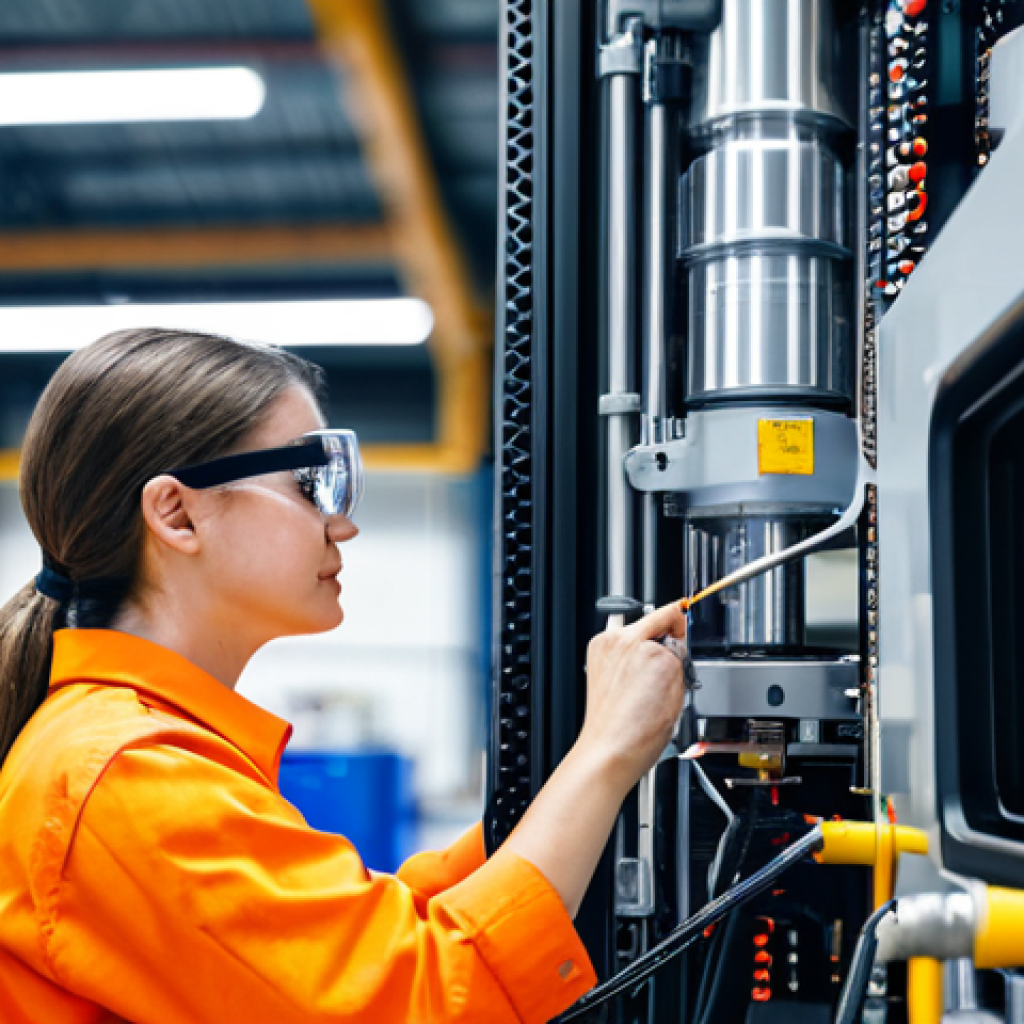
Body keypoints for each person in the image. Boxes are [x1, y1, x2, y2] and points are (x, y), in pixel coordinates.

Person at [0, 328, 687, 1024]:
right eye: (310, 484)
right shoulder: (128, 776)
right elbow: (432, 998)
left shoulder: (130, 751)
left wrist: (557, 787)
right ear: (177, 514)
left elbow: (371, 936)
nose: (342, 526)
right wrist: (605, 755)